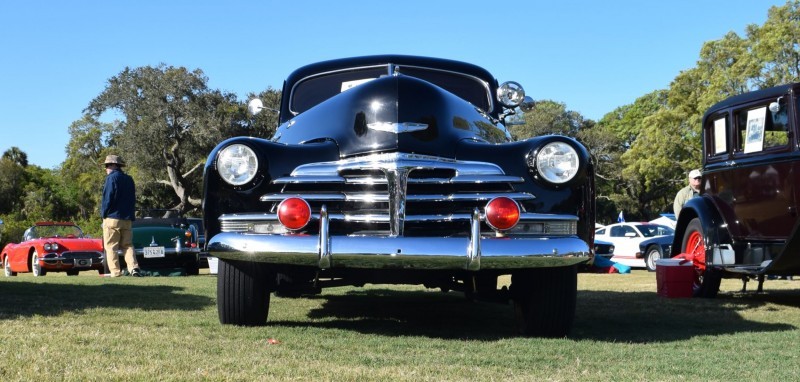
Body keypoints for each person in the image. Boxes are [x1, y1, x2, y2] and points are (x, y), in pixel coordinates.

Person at [101, 154, 141, 277]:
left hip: (112, 217)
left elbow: (107, 198)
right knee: (127, 245)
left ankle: (115, 272)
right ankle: (133, 268)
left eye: (107, 165)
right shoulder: (129, 179)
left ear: (114, 165)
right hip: (127, 218)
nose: (106, 168)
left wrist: (103, 214)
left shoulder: (111, 179)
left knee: (111, 246)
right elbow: (132, 199)